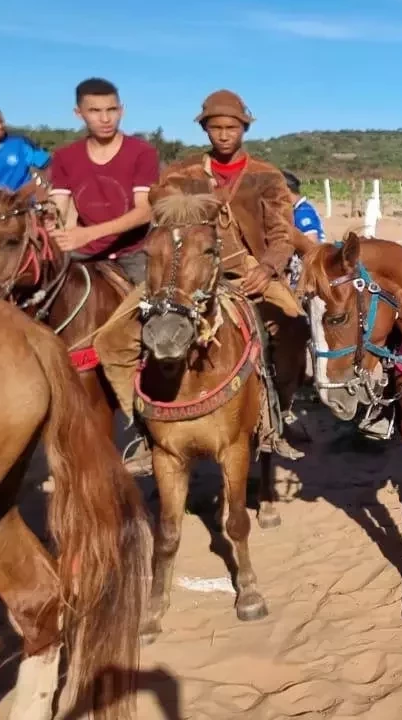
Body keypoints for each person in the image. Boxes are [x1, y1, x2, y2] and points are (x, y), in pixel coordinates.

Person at [94, 89, 305, 459]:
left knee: (293, 325)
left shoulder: (266, 177)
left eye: (232, 127)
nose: (224, 134)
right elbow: (161, 220)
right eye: (216, 127)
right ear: (205, 128)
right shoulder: (180, 174)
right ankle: (144, 425)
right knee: (113, 338)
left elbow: (282, 234)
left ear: (244, 128)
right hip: (182, 276)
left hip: (249, 272)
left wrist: (270, 268)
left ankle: (278, 414)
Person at [47, 78, 158, 285]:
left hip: (134, 252)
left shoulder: (142, 152)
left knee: (161, 312)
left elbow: (145, 211)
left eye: (112, 110)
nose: (106, 119)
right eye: (95, 111)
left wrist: (89, 234)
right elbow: (58, 208)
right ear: (78, 114)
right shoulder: (65, 156)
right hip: (82, 251)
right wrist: (51, 222)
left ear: (121, 110)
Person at [0, 104, 50, 191]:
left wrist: (39, 185)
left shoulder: (21, 144)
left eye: (1, 122)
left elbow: (50, 166)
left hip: (22, 202)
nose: (0, 126)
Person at [282, 170, 324, 291]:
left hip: (306, 269)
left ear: (285, 190)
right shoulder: (298, 209)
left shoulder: (303, 212)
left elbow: (312, 245)